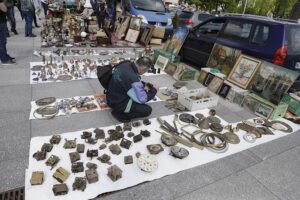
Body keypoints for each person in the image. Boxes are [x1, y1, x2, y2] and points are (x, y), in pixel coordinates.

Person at [106, 57, 157, 122]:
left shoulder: (125, 63)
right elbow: (142, 99)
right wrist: (154, 90)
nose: (145, 72)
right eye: (146, 70)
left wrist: (143, 84)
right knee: (147, 110)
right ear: (144, 69)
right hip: (117, 104)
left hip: (110, 96)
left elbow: (127, 80)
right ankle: (120, 114)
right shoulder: (133, 79)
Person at [0, 0, 16, 65]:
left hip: (2, 21)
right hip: (1, 22)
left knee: (3, 41)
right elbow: (4, 9)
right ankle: (4, 59)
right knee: (2, 42)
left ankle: (5, 56)